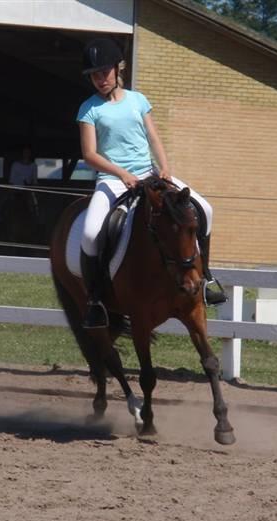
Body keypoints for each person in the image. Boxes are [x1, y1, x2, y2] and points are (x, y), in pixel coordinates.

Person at [76, 37, 226, 329]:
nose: (100, 79)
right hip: (113, 180)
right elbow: (89, 154)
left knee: (205, 209)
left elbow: (153, 138)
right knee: (91, 234)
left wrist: (165, 168)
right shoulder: (88, 109)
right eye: (94, 75)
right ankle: (95, 300)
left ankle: (206, 278)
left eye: (104, 72)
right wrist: (121, 174)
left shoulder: (138, 100)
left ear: (118, 69)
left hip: (150, 174)